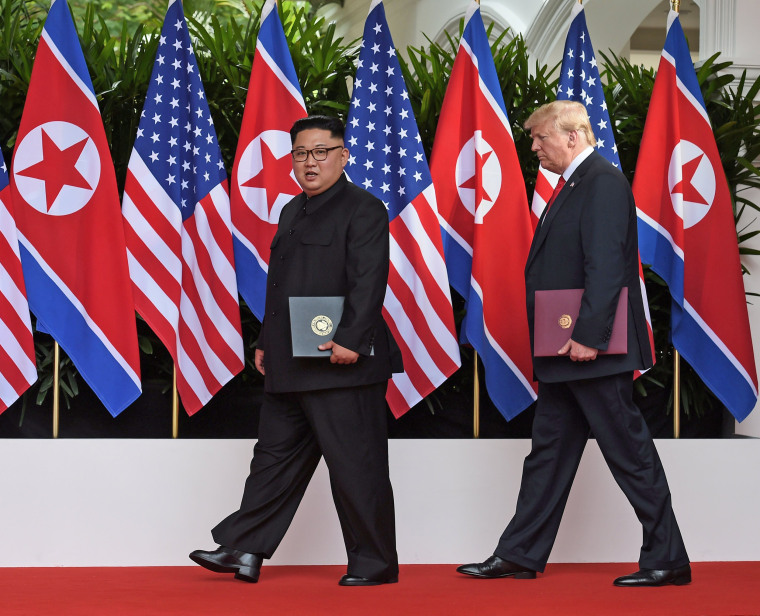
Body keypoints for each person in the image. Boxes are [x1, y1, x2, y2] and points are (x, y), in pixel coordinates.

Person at [457, 101, 690, 587]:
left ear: (573, 135)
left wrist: (589, 336)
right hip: (564, 351)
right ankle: (519, 554)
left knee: (628, 452)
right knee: (548, 454)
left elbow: (605, 265)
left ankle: (667, 558)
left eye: (540, 137)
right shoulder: (578, 183)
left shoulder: (601, 181)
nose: (534, 147)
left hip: (588, 350)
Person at [190, 115, 402, 586]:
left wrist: (352, 338)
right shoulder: (291, 210)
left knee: (355, 466)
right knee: (272, 459)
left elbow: (371, 278)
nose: (310, 162)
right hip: (290, 360)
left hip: (341, 360)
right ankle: (243, 551)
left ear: (343, 156)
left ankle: (375, 564)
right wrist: (266, 341)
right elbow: (281, 285)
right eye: (301, 154)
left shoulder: (364, 207)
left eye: (321, 152)